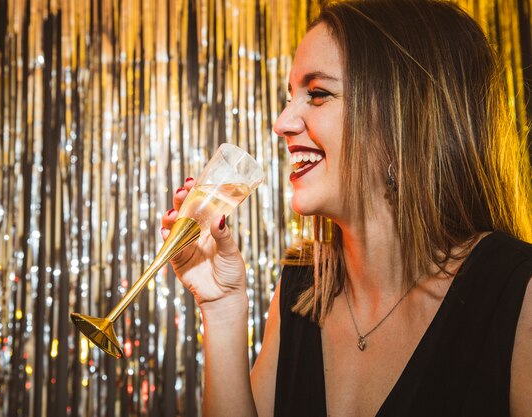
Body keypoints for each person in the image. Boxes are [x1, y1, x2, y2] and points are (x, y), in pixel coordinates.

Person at [161, 0, 532, 415]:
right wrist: (222, 308)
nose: (282, 123)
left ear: (403, 116)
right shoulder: (301, 287)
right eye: (290, 97)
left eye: (317, 94)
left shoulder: (517, 293)